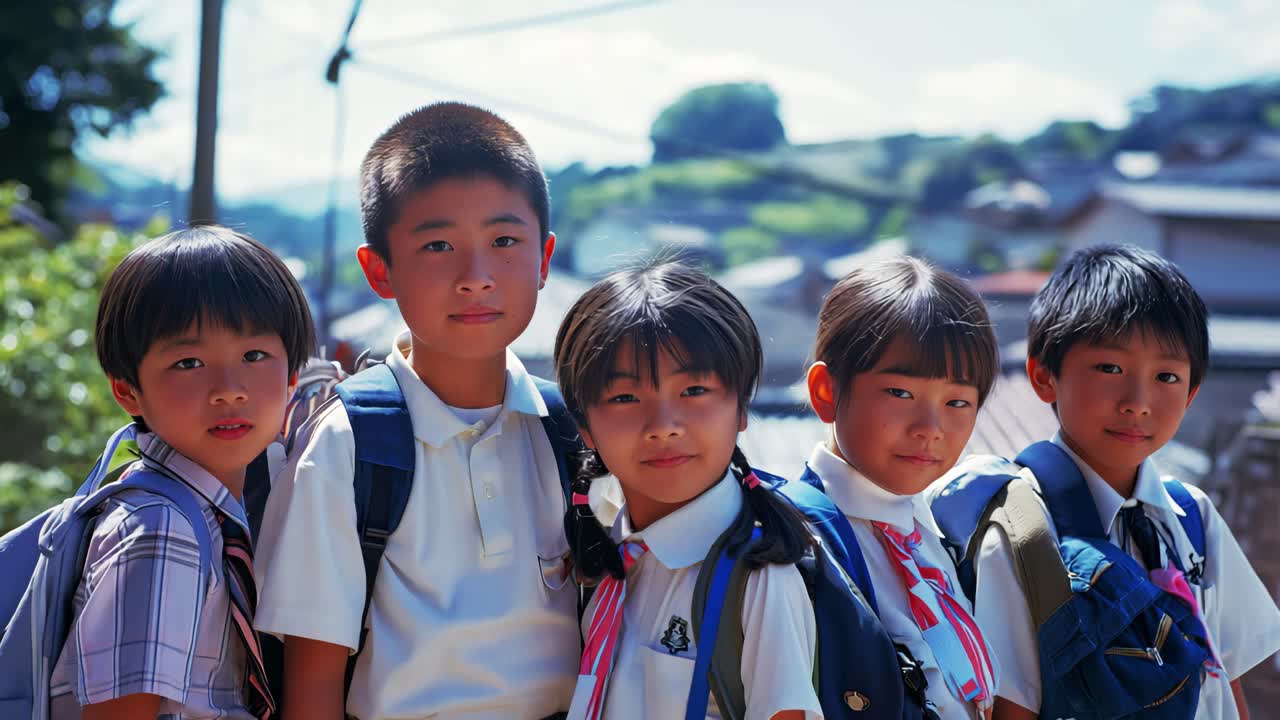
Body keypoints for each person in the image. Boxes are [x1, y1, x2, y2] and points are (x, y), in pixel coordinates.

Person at [253, 102, 580, 720]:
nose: (475, 275)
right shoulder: (350, 441)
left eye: (505, 240)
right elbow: (314, 679)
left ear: (544, 258)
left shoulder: (568, 431)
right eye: (437, 245)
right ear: (379, 270)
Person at [947, 245, 1280, 719]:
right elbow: (1010, 706)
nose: (1138, 401)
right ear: (1044, 377)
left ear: (1191, 394)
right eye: (1110, 368)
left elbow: (1227, 684)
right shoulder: (1020, 531)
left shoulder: (1193, 516)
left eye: (1167, 375)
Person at [51, 224, 315, 719]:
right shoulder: (161, 529)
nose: (229, 388)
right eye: (189, 362)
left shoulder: (212, 514)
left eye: (255, 355)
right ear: (127, 391)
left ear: (292, 376)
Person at [555, 260, 823, 720]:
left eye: (694, 390)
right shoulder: (600, 555)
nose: (663, 427)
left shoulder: (758, 579)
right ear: (585, 428)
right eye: (625, 398)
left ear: (741, 408)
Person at [800, 256, 999, 720]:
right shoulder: (797, 549)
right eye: (900, 394)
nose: (930, 428)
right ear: (826, 392)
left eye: (957, 401)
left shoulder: (932, 534)